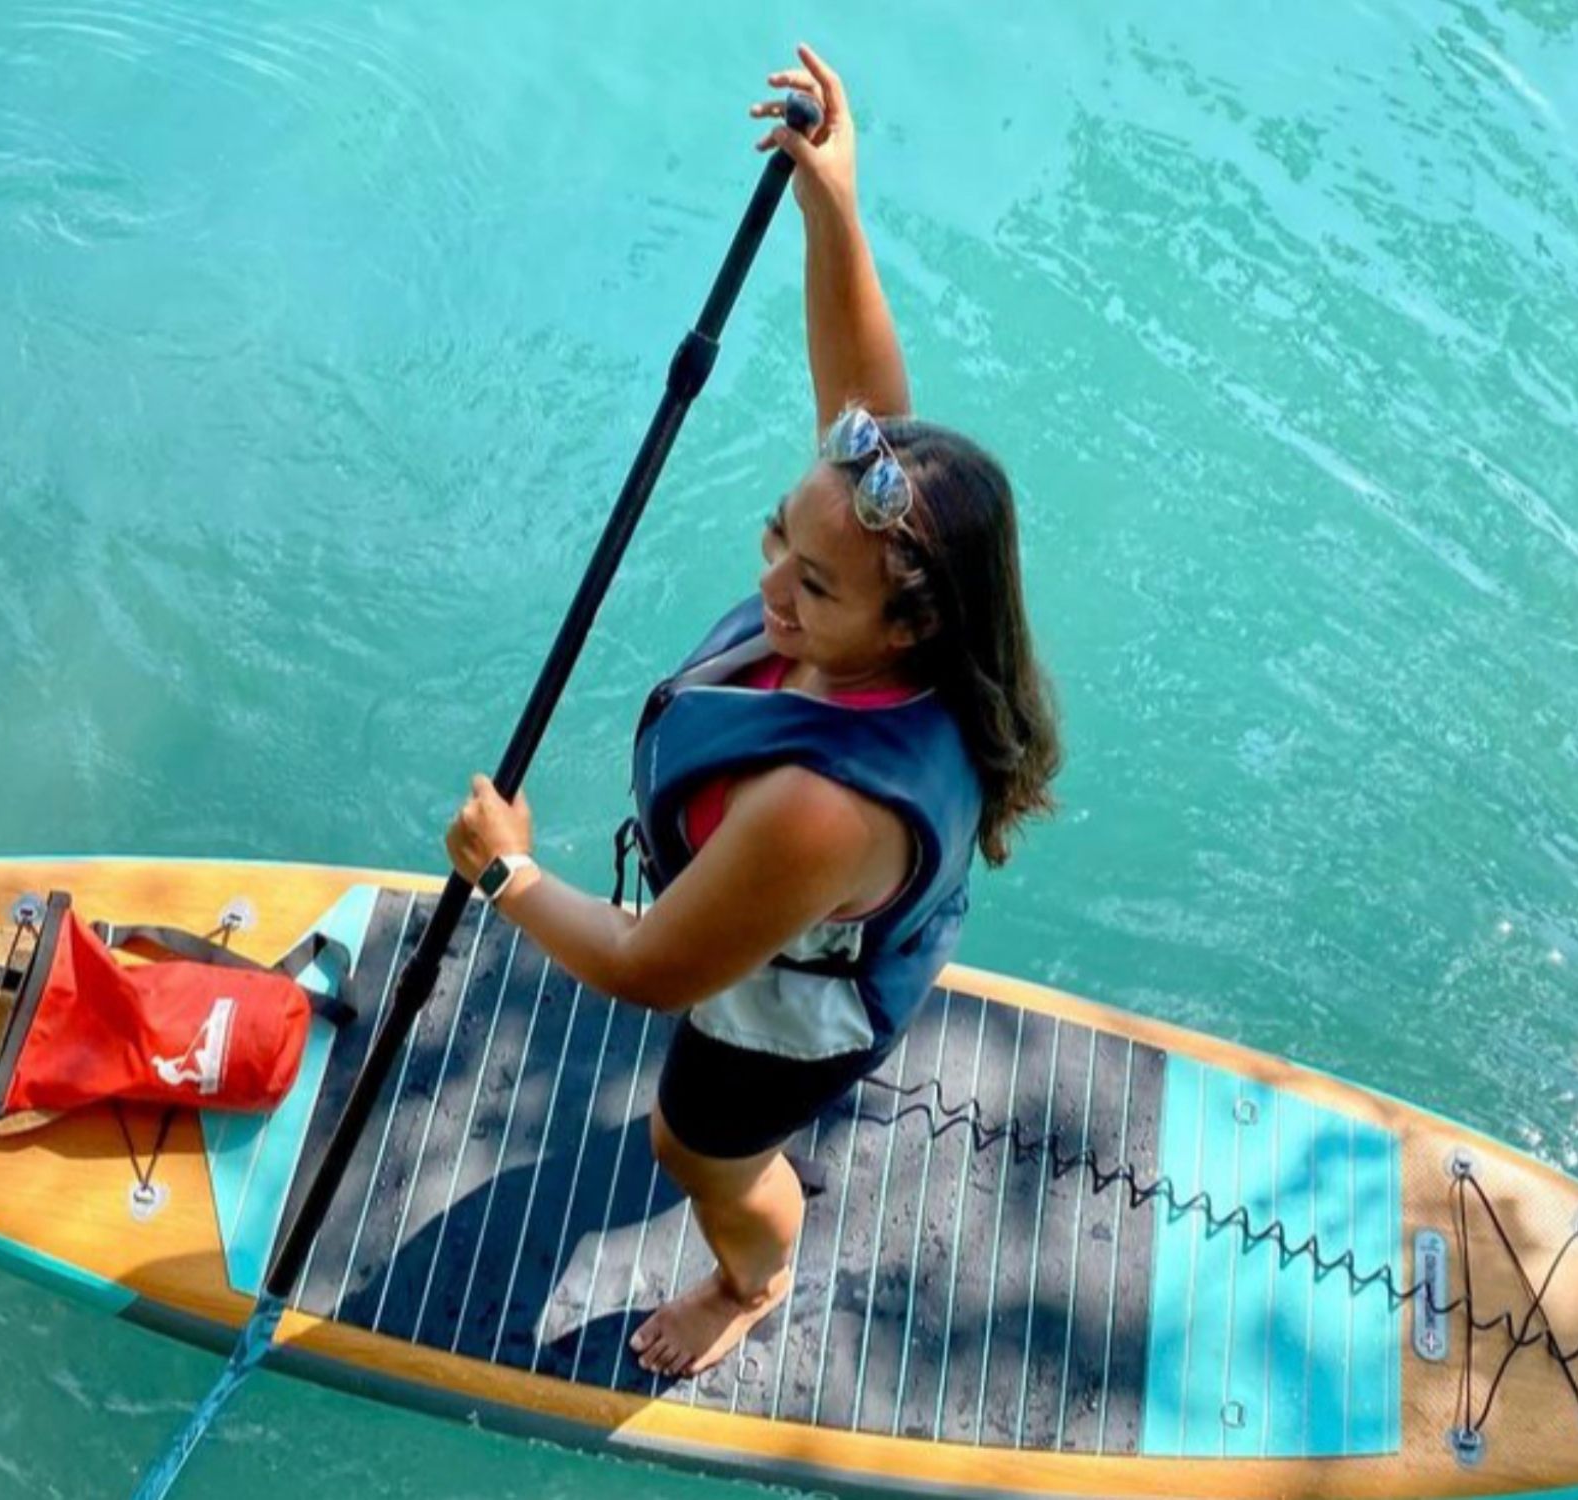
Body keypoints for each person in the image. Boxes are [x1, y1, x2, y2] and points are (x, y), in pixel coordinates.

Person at [445, 44, 1061, 1380]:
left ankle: (752, 1273)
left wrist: (506, 875)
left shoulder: (813, 810)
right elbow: (863, 410)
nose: (772, 582)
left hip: (785, 1009)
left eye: (813, 583)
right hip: (798, 923)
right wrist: (828, 202)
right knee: (684, 1108)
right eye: (780, 538)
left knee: (695, 1145)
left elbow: (657, 970)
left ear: (908, 626)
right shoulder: (889, 575)